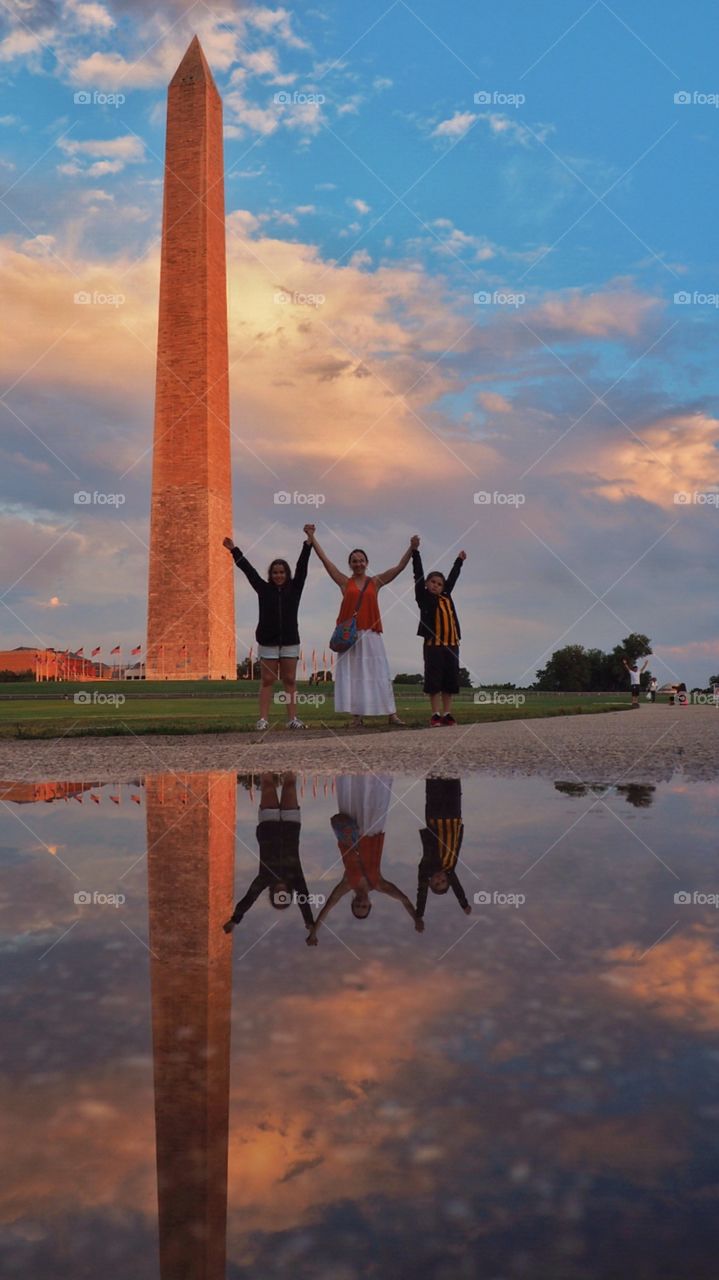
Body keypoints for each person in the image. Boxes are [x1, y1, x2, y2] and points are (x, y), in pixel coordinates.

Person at [307, 530, 418, 728]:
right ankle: (357, 717)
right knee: (355, 676)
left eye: (361, 560)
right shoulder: (344, 582)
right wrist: (312, 538)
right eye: (354, 561)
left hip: (372, 633)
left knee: (380, 674)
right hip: (350, 636)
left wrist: (411, 548)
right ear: (350, 564)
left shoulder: (374, 582)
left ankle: (392, 715)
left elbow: (399, 567)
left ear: (367, 562)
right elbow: (325, 560)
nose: (358, 564)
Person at [306, 774, 421, 943]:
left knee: (352, 796)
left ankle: (350, 772)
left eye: (357, 906)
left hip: (349, 832)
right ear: (370, 904)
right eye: (364, 906)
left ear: (352, 903)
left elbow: (328, 907)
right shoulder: (379, 884)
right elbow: (403, 899)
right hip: (372, 832)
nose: (361, 903)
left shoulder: (347, 884)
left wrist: (314, 932)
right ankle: (374, 773)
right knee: (372, 800)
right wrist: (416, 918)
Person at [223, 525, 314, 730]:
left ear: (287, 574)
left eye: (282, 572)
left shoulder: (296, 587)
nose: (278, 575)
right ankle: (263, 719)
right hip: (268, 641)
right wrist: (234, 550)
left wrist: (308, 542)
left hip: (290, 640)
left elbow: (303, 566)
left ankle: (292, 719)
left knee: (289, 679)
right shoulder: (263, 589)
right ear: (270, 575)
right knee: (267, 680)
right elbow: (249, 571)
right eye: (275, 572)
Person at [223, 772, 315, 935]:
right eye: (284, 898)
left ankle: (264, 752)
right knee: (289, 786)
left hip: (268, 827)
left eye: (277, 898)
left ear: (272, 895)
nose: (281, 894)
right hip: (291, 826)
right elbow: (305, 901)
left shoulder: (264, 879)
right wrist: (309, 924)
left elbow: (248, 900)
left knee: (267, 786)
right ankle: (290, 753)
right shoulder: (296, 879)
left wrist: (235, 919)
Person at [412, 544, 466, 726]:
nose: (436, 585)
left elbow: (452, 578)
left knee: (450, 680)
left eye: (439, 584)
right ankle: (435, 714)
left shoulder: (446, 596)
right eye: (433, 582)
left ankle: (447, 714)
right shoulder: (424, 597)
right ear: (427, 584)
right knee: (434, 680)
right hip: (433, 644)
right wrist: (415, 552)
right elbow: (417, 574)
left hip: (452, 644)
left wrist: (459, 561)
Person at [416, 778, 471, 921]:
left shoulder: (427, 868)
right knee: (453, 781)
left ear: (430, 882)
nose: (439, 880)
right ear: (448, 879)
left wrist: (419, 915)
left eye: (436, 883)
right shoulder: (449, 868)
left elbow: (421, 894)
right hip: (454, 818)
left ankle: (434, 762)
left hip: (435, 817)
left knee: (435, 781)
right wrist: (463, 903)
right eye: (443, 882)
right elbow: (457, 887)